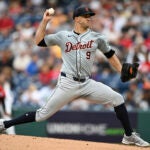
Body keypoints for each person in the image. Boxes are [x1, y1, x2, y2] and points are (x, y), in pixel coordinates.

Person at [0, 6, 149, 147]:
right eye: (86, 16)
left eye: (90, 16)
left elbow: (110, 55)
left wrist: (121, 69)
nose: (89, 18)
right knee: (42, 115)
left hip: (87, 83)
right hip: (68, 83)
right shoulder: (63, 36)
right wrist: (45, 21)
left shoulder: (97, 37)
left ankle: (129, 136)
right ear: (76, 19)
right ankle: (4, 124)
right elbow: (38, 41)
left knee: (118, 99)